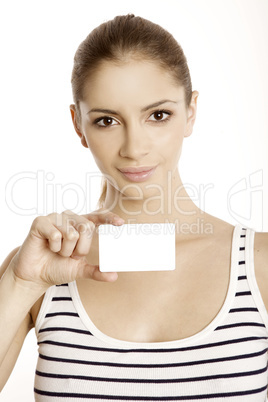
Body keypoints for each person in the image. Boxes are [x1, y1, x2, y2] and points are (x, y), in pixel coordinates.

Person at [0, 13, 268, 401]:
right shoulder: (37, 270)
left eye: (158, 115)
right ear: (78, 125)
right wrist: (21, 285)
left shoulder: (258, 264)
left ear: (191, 111)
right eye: (107, 120)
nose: (134, 148)